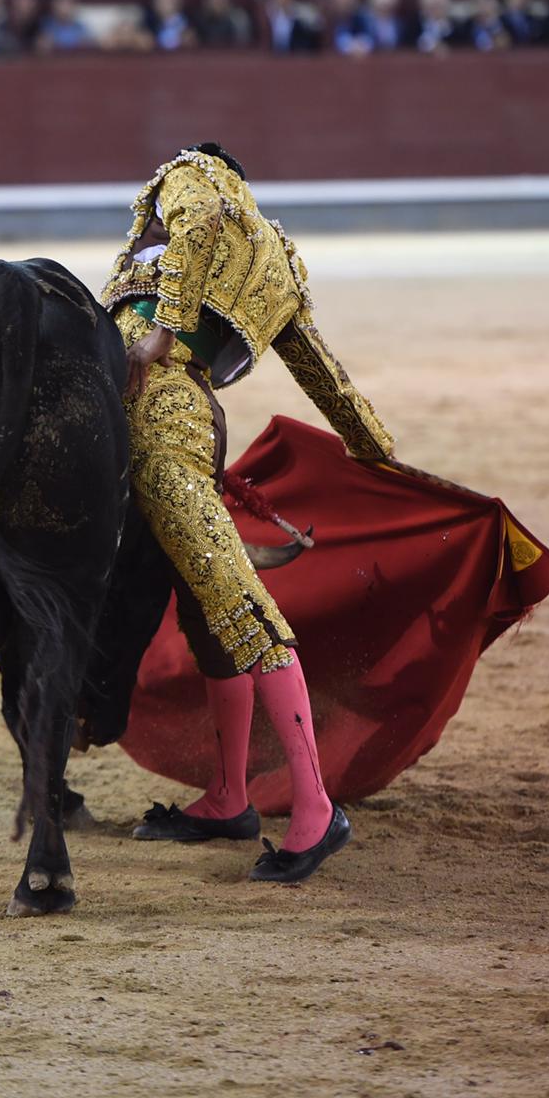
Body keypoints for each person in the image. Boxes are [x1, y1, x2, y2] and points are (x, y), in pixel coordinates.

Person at [100, 144, 394, 884]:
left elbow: (194, 225)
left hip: (157, 408)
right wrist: (382, 456)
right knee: (210, 610)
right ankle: (230, 795)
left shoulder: (192, 177)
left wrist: (162, 332)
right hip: (168, 408)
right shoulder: (280, 268)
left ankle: (316, 808)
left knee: (236, 604)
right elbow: (331, 383)